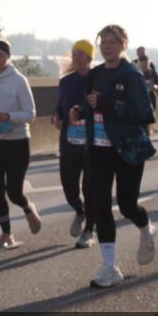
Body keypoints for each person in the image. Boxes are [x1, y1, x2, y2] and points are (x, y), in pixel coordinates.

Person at [69, 25, 156, 288]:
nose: (107, 47)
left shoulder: (131, 75)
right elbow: (92, 103)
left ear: (123, 45)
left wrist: (110, 104)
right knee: (100, 205)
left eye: (112, 42)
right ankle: (110, 266)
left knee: (128, 205)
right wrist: (80, 111)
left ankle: (146, 227)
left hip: (127, 148)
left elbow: (144, 112)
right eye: (103, 42)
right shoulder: (95, 74)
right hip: (98, 149)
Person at [0, 39, 41, 249]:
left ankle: (27, 207)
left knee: (14, 190)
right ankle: (7, 233)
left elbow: (30, 113)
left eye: (1, 55)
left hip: (17, 141)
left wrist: (9, 116)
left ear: (8, 57)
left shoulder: (18, 80)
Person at [52, 40, 96, 248]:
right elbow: (59, 107)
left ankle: (89, 231)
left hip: (92, 143)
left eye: (81, 54)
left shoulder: (97, 80)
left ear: (89, 57)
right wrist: (57, 117)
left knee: (90, 188)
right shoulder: (66, 82)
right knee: (69, 188)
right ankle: (80, 212)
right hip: (69, 142)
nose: (77, 58)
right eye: (74, 54)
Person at [137, 55, 158, 136]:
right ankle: (145, 134)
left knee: (148, 119)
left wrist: (155, 86)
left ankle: (147, 136)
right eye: (143, 62)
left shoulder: (152, 72)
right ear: (139, 63)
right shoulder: (137, 72)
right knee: (141, 118)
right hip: (140, 98)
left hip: (151, 97)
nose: (145, 64)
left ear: (149, 62)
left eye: (146, 62)